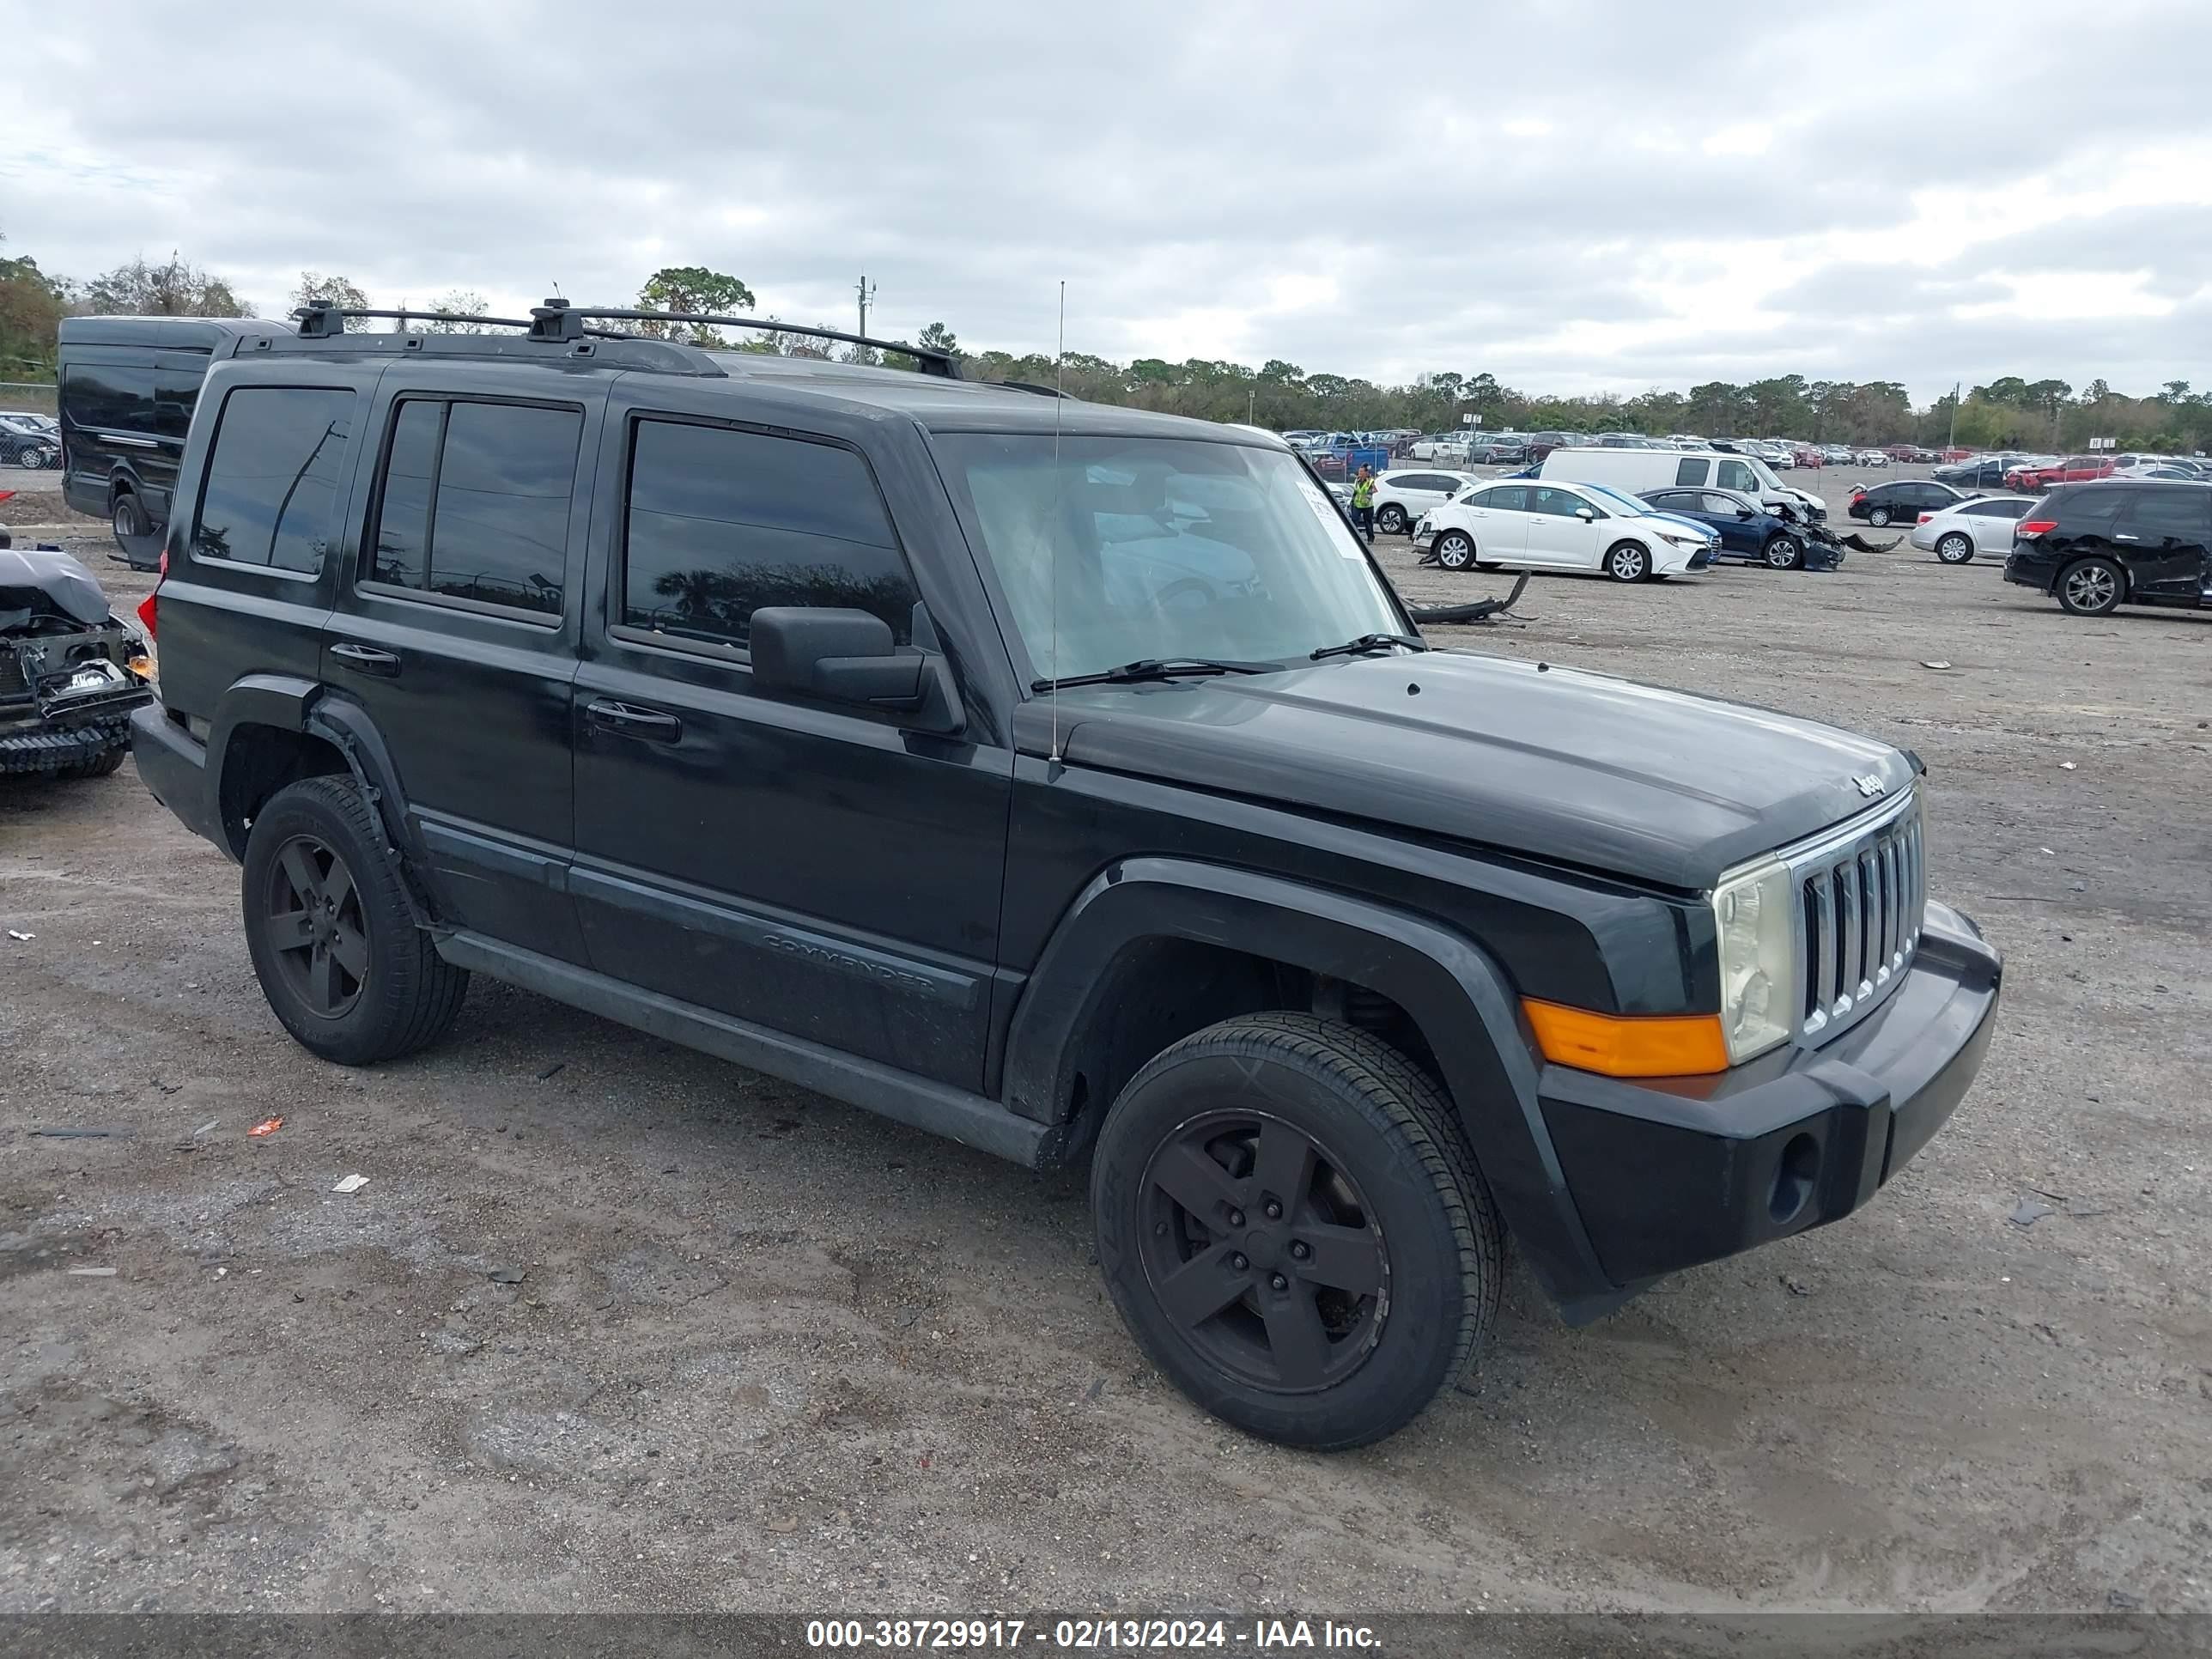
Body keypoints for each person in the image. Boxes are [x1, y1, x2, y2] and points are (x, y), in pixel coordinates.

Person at [1350, 465, 1376, 544]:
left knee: (1368, 522)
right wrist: (1352, 501)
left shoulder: (1370, 481)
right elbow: (1355, 491)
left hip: (1367, 506)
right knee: (1354, 520)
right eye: (1359, 471)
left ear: (1366, 473)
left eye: (1361, 471)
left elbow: (1370, 492)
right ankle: (1354, 537)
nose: (1360, 473)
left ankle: (1370, 538)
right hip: (1357, 505)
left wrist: (1366, 500)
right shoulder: (1357, 480)